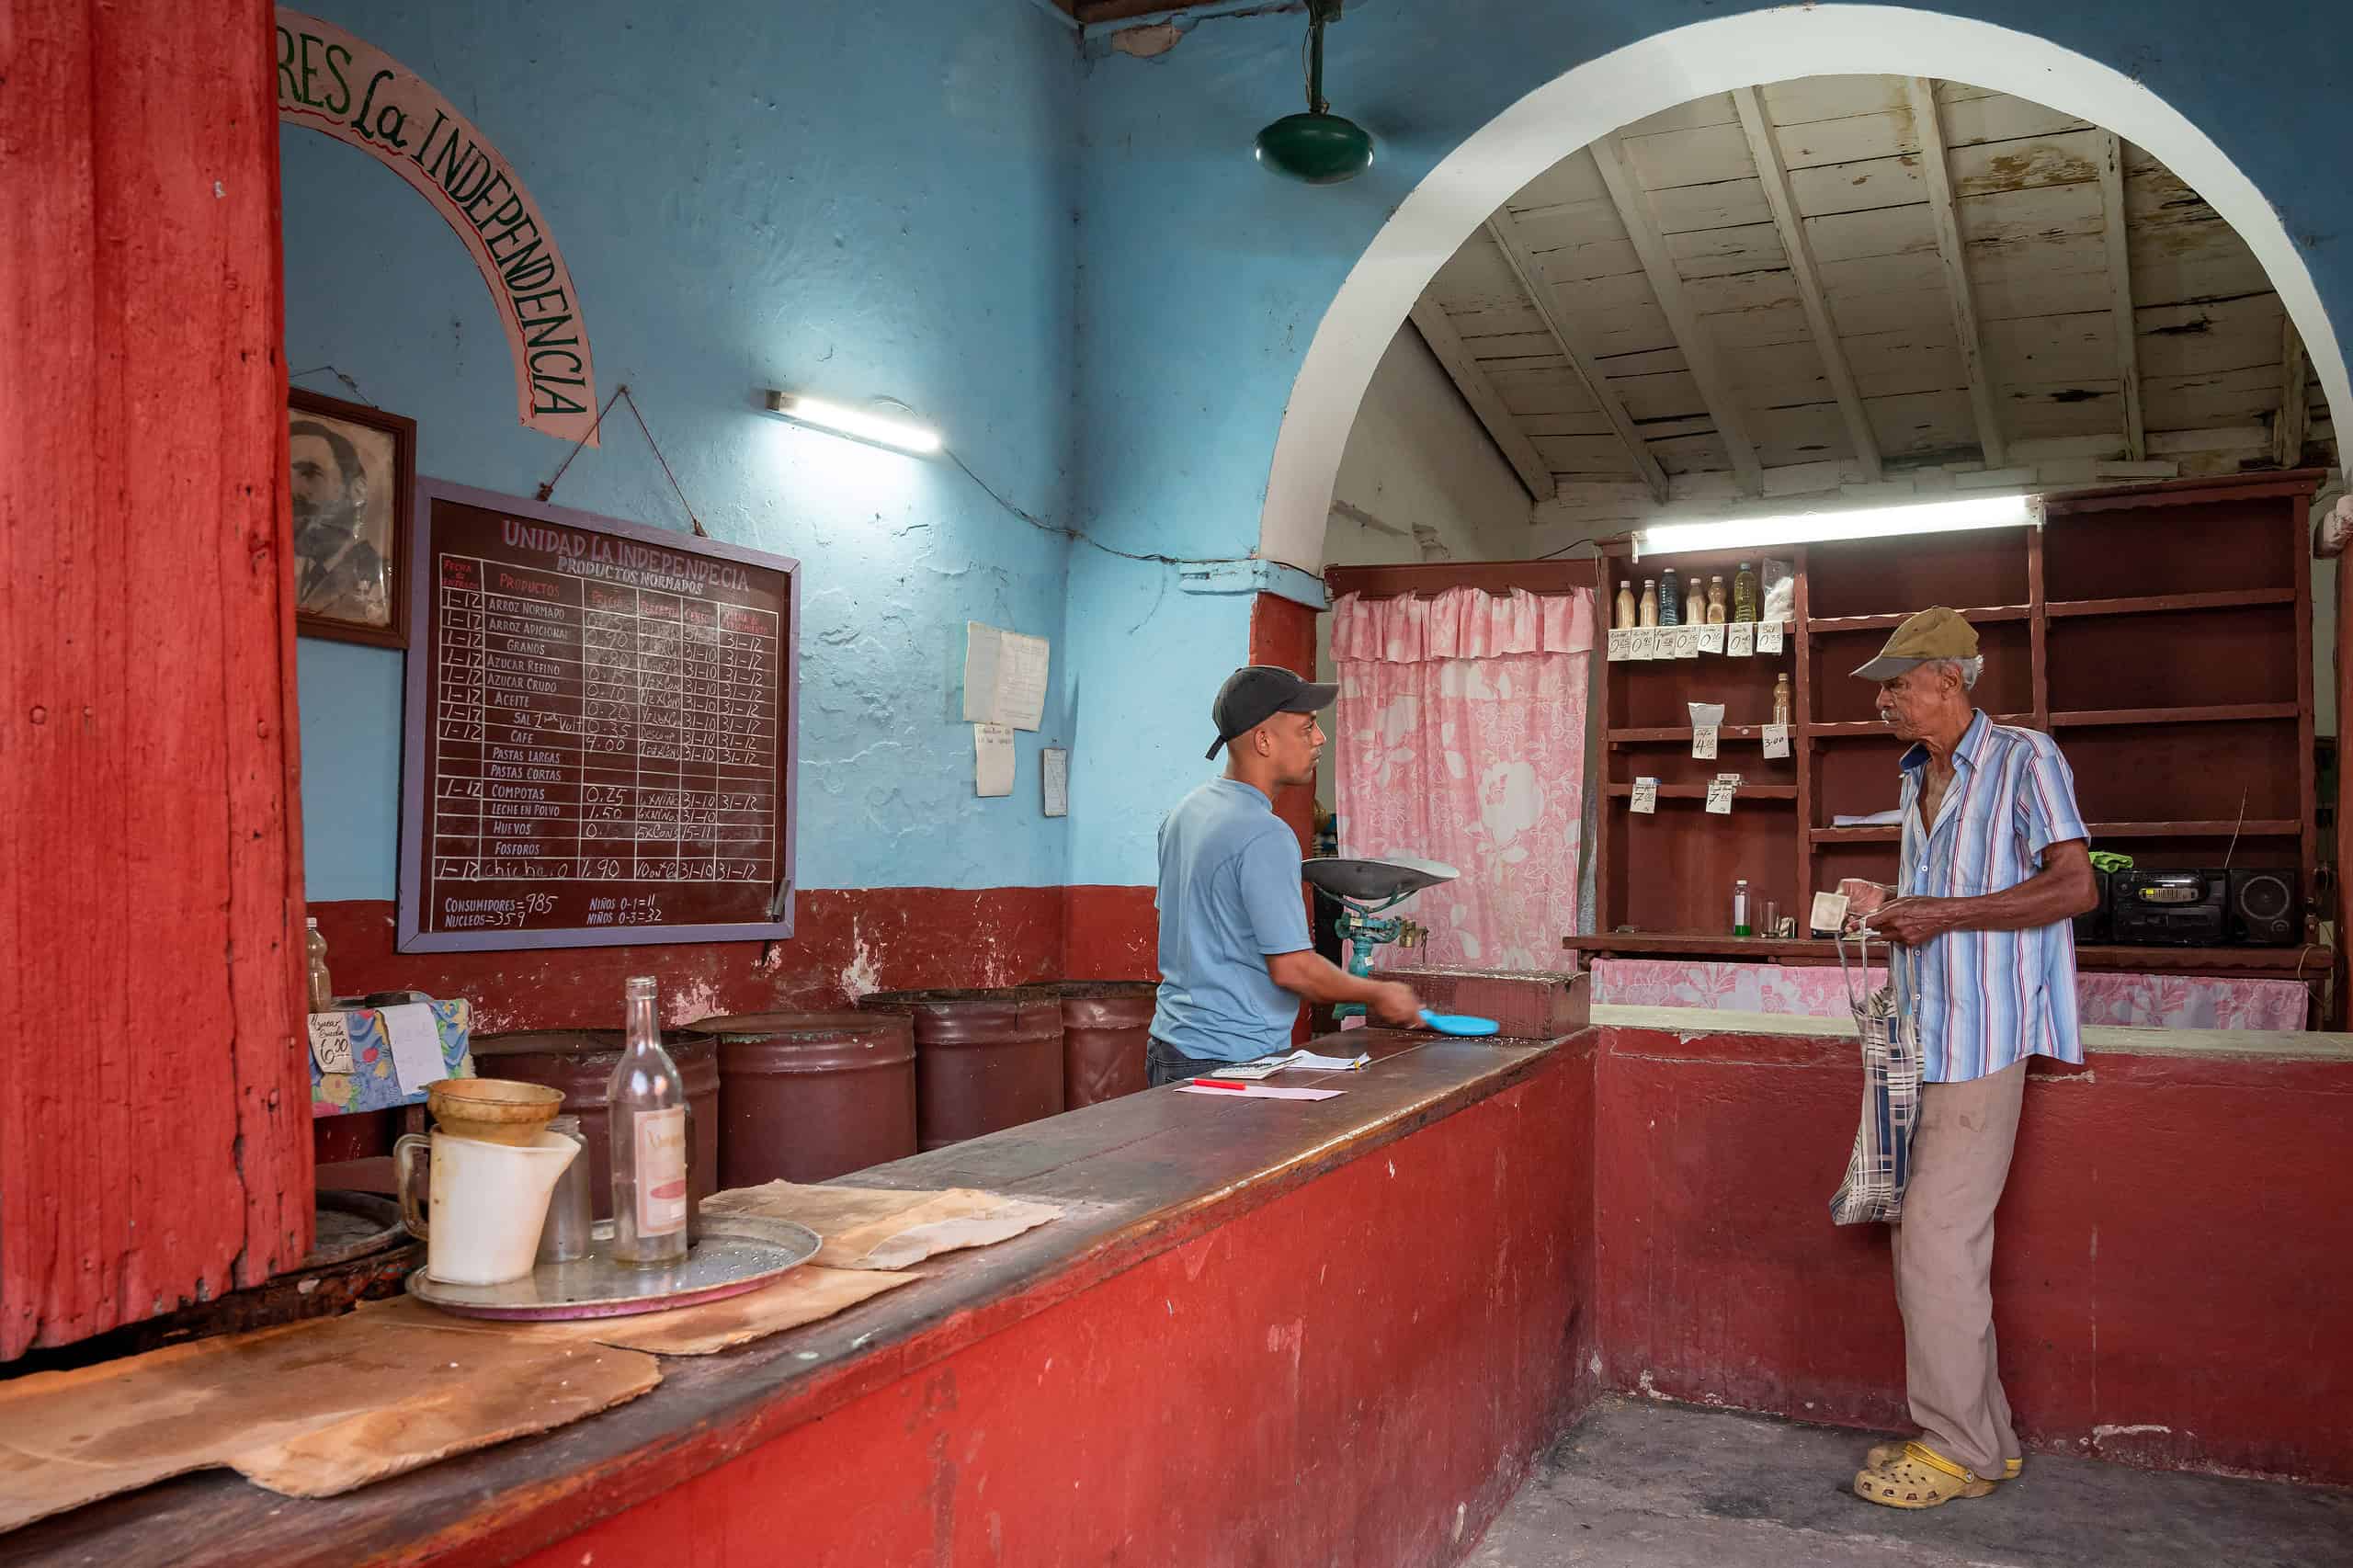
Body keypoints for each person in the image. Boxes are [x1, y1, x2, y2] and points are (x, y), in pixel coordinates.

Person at [1841, 608, 2100, 1510]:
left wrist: (1940, 914)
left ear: (1949, 681)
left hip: (1985, 1032)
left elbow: (2076, 884)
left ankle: (1957, 1448)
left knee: (1936, 1243)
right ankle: (1985, 1437)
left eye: (1896, 683)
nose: (1882, 701)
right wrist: (1894, 902)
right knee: (1930, 1238)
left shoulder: (2026, 758)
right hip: (1925, 1032)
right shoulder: (1920, 778)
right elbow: (1941, 901)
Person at [1147, 665, 1423, 1086]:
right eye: (1307, 727)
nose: (1320, 739)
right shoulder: (1265, 833)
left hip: (1172, 1046)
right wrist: (1379, 993)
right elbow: (1293, 969)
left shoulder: (1186, 812)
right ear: (1263, 740)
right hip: (1229, 1058)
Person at [290, 417, 390, 625]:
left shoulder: (380, 582)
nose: (291, 491)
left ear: (356, 491)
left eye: (309, 473)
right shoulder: (287, 577)